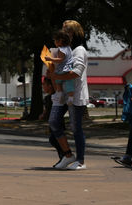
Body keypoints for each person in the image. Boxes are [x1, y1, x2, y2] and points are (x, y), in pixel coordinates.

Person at [47, 20, 88, 170]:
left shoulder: (79, 50)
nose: (63, 33)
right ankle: (68, 155)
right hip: (61, 93)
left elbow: (76, 72)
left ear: (74, 33)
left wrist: (56, 75)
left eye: (67, 30)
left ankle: (81, 160)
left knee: (76, 128)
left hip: (74, 94)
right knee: (53, 122)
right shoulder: (62, 50)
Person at [44, 30, 74, 104]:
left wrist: (50, 58)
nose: (54, 42)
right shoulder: (69, 49)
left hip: (62, 69)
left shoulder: (61, 49)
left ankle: (59, 93)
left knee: (57, 80)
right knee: (69, 83)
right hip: (69, 68)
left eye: (55, 40)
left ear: (60, 41)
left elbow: (60, 59)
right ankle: (71, 98)